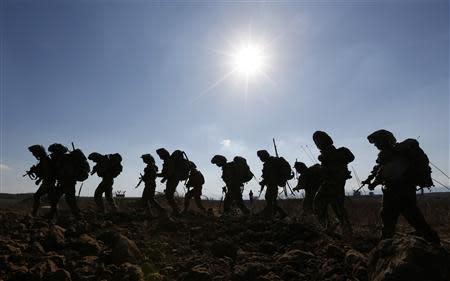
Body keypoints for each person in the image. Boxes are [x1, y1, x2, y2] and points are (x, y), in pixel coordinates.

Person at [362, 129, 440, 243]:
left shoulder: (395, 155)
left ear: (384, 141)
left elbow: (387, 173)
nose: (375, 145)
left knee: (397, 218)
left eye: (377, 142)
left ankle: (386, 244)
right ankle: (433, 241)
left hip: (397, 192)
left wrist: (374, 183)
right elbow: (381, 171)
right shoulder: (391, 155)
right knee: (412, 218)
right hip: (403, 191)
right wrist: (371, 181)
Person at [312, 131, 354, 233]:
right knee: (337, 208)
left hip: (332, 184)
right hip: (334, 184)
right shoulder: (335, 153)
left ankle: (330, 228)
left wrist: (322, 168)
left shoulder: (330, 154)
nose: (317, 145)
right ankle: (342, 230)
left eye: (318, 142)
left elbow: (331, 169)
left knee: (320, 204)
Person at [47, 143, 82, 219]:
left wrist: (59, 172)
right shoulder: (60, 159)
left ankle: (78, 216)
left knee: (70, 201)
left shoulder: (66, 158)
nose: (52, 154)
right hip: (62, 183)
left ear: (58, 151)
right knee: (54, 198)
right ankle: (51, 215)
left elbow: (68, 171)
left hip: (69, 183)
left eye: (53, 152)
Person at [257, 150, 289, 218]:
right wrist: (263, 182)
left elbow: (270, 175)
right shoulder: (269, 163)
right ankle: (277, 213)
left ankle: (274, 213)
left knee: (269, 198)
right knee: (271, 199)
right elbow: (267, 176)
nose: (260, 159)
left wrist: (264, 181)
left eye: (261, 157)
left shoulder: (272, 162)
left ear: (264, 155)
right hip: (271, 183)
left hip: (273, 183)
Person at [157, 148, 189, 215]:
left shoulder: (169, 160)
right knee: (169, 195)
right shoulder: (168, 160)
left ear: (164, 154)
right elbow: (165, 173)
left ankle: (176, 210)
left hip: (173, 179)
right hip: (173, 179)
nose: (160, 157)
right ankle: (176, 210)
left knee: (168, 195)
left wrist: (164, 178)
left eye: (160, 155)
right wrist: (157, 175)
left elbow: (170, 172)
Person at [26, 145, 55, 217]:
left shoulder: (45, 160)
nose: (33, 154)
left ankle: (34, 213)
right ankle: (52, 214)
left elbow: (48, 173)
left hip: (49, 182)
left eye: (34, 152)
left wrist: (39, 178)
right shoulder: (43, 160)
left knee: (37, 196)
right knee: (52, 198)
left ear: (39, 152)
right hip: (48, 181)